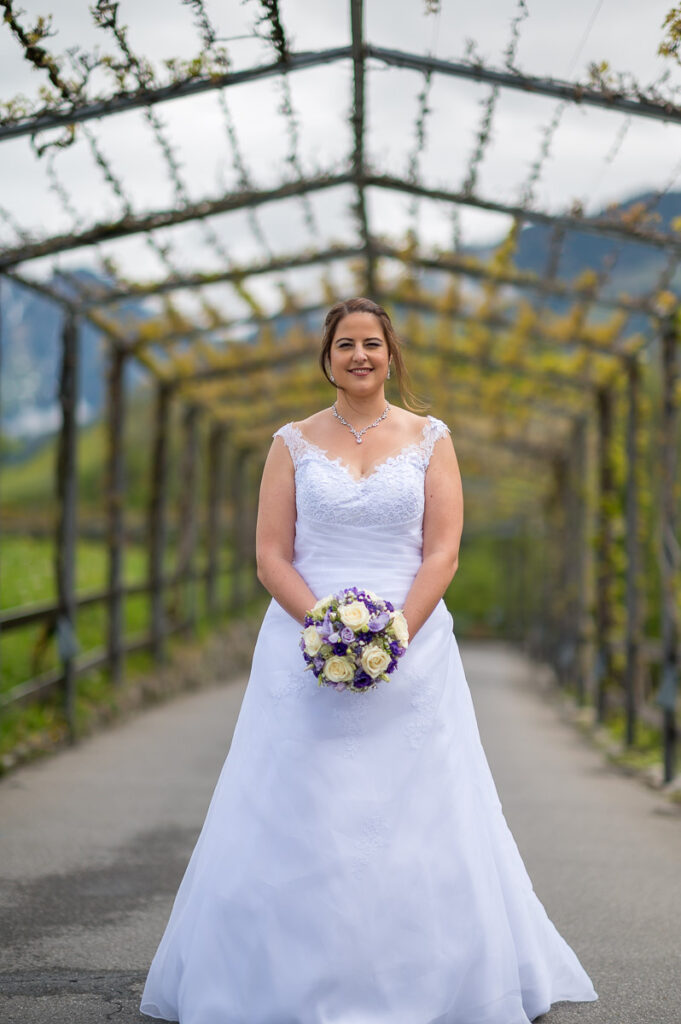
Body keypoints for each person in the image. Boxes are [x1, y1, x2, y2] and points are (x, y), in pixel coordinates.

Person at [140, 297, 598, 1023]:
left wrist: (393, 637)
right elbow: (270, 555)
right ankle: (284, 975)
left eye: (372, 344)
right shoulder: (289, 442)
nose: (359, 355)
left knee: (416, 806)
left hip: (413, 649)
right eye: (345, 343)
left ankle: (431, 976)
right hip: (304, 641)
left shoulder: (430, 437)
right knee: (298, 801)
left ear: (391, 356)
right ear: (325, 357)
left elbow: (442, 551)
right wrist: (325, 625)